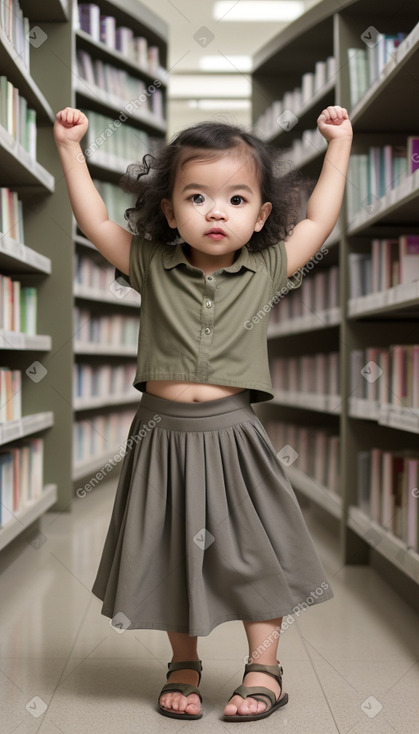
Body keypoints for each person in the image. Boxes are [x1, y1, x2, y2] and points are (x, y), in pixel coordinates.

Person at [54, 105, 352, 722]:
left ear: (262, 215)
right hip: (160, 436)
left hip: (233, 435)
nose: (217, 211)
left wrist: (339, 143)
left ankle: (264, 666)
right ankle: (183, 664)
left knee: (251, 550)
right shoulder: (151, 265)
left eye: (237, 199)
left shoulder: (266, 268)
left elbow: (321, 216)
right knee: (168, 549)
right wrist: (70, 148)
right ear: (169, 210)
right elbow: (95, 218)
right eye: (197, 196)